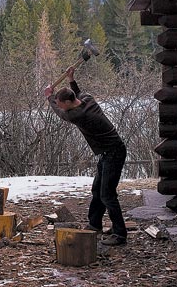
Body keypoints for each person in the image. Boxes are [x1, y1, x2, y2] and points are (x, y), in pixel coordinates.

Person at [44, 66, 128, 246]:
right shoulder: (86, 100)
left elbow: (59, 112)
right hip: (107, 152)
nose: (59, 105)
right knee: (97, 190)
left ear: (67, 103)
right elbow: (78, 93)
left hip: (114, 152)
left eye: (60, 102)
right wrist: (71, 79)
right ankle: (95, 224)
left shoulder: (77, 115)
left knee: (107, 194)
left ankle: (120, 234)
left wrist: (49, 97)